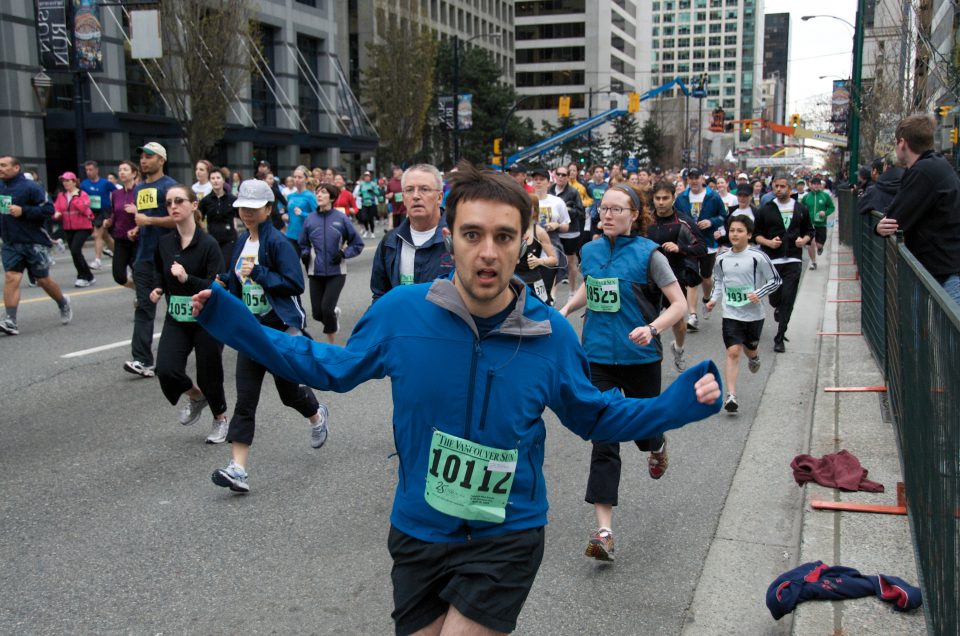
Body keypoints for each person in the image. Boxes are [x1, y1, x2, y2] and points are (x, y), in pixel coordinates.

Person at [190, 161, 722, 634]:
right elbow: (332, 367)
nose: (488, 252)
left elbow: (594, 415)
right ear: (450, 239)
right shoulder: (402, 312)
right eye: (472, 234)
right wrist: (236, 323)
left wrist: (671, 406)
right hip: (419, 530)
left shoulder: (550, 335)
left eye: (504, 237)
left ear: (523, 242)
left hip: (507, 532)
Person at [559, 182, 689, 563]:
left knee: (642, 430)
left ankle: (657, 444)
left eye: (617, 209)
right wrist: (567, 308)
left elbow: (679, 304)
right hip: (597, 358)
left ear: (635, 215)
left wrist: (653, 329)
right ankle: (604, 531)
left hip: (640, 360)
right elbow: (591, 286)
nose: (607, 215)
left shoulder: (650, 255)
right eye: (603, 209)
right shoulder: (590, 249)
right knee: (604, 438)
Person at [210, 179, 329, 492]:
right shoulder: (240, 242)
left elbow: (294, 284)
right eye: (243, 208)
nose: (247, 214)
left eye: (254, 208)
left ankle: (317, 415)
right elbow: (234, 278)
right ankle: (237, 468)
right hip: (251, 332)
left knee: (289, 395)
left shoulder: (277, 243)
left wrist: (260, 274)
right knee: (246, 400)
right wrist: (221, 285)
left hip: (277, 330)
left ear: (268, 208)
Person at [149, 185, 229, 443]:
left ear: (194, 205)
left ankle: (220, 418)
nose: (173, 206)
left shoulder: (208, 245)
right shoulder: (164, 243)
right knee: (166, 369)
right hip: (178, 317)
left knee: (209, 373)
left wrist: (188, 278)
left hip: (206, 317)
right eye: (169, 202)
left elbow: (216, 285)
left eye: (179, 201)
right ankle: (196, 396)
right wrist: (158, 286)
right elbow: (159, 270)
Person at [876, 114, 960, 304]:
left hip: (943, 274)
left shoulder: (923, 171)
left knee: (939, 332)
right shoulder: (935, 165)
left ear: (903, 143)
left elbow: (895, 219)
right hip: (943, 269)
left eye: (896, 143)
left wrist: (879, 227)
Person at [705, 215, 781, 413]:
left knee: (750, 347)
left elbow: (776, 281)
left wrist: (758, 293)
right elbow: (719, 281)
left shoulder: (758, 257)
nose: (735, 234)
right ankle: (731, 396)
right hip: (731, 312)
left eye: (739, 231)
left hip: (754, 314)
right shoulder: (721, 258)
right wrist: (713, 299)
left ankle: (754, 357)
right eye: (732, 230)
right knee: (733, 351)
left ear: (749, 234)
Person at [0, 155, 72, 335]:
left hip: (34, 242)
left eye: (4, 165)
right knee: (11, 277)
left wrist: (23, 211)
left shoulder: (32, 187)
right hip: (10, 242)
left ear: (16, 168)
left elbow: (48, 210)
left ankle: (63, 302)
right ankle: (11, 321)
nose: (0, 169)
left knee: (42, 280)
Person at [124, 142, 178, 378]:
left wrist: (150, 222)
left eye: (149, 156)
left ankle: (200, 344)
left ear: (161, 160)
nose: (144, 160)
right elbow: (143, 218)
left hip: (168, 256)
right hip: (144, 257)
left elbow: (177, 218)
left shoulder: (170, 187)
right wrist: (138, 229)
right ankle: (142, 360)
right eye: (142, 157)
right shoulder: (138, 189)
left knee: (179, 308)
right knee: (144, 308)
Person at [646, 180, 706, 371]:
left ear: (673, 198)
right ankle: (650, 359)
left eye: (665, 198)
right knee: (647, 320)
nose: (661, 202)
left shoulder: (683, 221)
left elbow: (702, 247)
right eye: (657, 198)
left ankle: (679, 349)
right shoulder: (645, 220)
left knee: (679, 323)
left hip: (674, 277)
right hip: (648, 278)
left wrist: (680, 248)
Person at [370, 164, 452, 301]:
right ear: (403, 197)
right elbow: (380, 296)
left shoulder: (456, 237)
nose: (415, 196)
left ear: (439, 197)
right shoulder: (390, 242)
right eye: (409, 190)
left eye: (424, 189)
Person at [753, 174, 814, 352]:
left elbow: (810, 230)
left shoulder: (801, 209)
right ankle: (778, 308)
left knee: (788, 298)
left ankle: (779, 337)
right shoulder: (765, 210)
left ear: (791, 188)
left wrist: (804, 240)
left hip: (794, 259)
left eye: (782, 186)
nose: (779, 189)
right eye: (776, 186)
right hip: (773, 260)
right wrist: (769, 243)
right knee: (775, 299)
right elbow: (756, 235)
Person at [299, 182, 364, 343]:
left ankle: (332, 345)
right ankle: (332, 316)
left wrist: (344, 253)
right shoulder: (310, 219)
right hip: (315, 271)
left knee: (326, 310)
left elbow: (357, 243)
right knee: (317, 314)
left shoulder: (341, 218)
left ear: (332, 197)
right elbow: (303, 243)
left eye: (323, 192)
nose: (319, 195)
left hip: (337, 272)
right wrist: (305, 253)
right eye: (317, 192)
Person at [674, 167, 727, 332]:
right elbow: (675, 217)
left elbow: (723, 216)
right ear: (687, 180)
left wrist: (711, 222)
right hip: (689, 243)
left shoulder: (713, 196)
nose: (694, 180)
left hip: (708, 242)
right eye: (691, 177)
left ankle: (706, 297)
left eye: (697, 177)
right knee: (691, 278)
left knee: (706, 277)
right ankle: (693, 316)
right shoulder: (681, 198)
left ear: (702, 178)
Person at [530, 166, 570, 302]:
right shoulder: (527, 199)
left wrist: (556, 225)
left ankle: (550, 295)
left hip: (551, 241)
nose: (538, 182)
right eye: (535, 179)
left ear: (548, 182)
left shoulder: (557, 202)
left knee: (551, 270)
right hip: (531, 241)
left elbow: (566, 226)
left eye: (541, 179)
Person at [53, 171, 97, 287]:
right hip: (68, 227)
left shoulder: (82, 194)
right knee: (75, 253)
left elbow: (83, 208)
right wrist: (56, 214)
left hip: (83, 227)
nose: (65, 183)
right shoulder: (61, 195)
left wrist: (75, 196)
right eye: (63, 181)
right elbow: (57, 208)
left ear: (74, 181)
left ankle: (82, 276)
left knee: (75, 250)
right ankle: (89, 276)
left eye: (67, 181)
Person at [515, 191, 558, 304]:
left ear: (535, 211)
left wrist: (539, 261)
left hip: (534, 281)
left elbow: (554, 259)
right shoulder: (512, 230)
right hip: (514, 280)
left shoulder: (539, 232)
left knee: (540, 313)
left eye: (529, 206)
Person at [548, 164, 585, 292]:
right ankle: (551, 295)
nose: (560, 177)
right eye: (558, 174)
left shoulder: (573, 192)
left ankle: (572, 291)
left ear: (568, 177)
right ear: (554, 175)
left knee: (570, 263)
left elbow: (581, 212)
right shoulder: (550, 190)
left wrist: (568, 210)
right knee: (554, 262)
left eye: (564, 175)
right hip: (553, 232)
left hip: (570, 232)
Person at [108, 160, 140, 288]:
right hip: (120, 238)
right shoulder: (116, 194)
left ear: (134, 174)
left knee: (138, 272)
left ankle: (142, 295)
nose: (122, 172)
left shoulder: (140, 191)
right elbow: (114, 212)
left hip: (137, 238)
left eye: (125, 170)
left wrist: (136, 210)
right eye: (120, 170)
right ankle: (138, 289)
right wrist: (109, 221)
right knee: (119, 276)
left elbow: (149, 213)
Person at [198, 166, 237, 268]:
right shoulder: (206, 201)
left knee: (226, 265)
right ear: (210, 181)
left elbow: (242, 216)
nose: (216, 181)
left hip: (229, 238)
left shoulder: (232, 199)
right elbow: (198, 218)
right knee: (214, 266)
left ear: (223, 180)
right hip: (212, 238)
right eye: (213, 178)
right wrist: (203, 229)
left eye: (218, 178)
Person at [80, 160, 116, 271]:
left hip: (104, 211)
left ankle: (97, 260)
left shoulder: (105, 183)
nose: (88, 172)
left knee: (97, 235)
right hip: (92, 212)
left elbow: (116, 193)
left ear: (97, 170)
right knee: (106, 236)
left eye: (91, 169)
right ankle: (119, 254)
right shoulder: (84, 184)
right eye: (87, 170)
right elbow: (81, 197)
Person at [800, 177, 835, 270]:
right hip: (809, 224)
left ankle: (820, 248)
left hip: (821, 224)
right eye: (814, 184)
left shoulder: (825, 196)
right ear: (810, 185)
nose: (816, 186)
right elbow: (800, 209)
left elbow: (832, 207)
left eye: (817, 184)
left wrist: (825, 213)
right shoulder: (806, 197)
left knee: (819, 244)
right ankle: (813, 262)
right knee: (810, 243)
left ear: (820, 185)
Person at [283, 166, 317, 257]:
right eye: (295, 177)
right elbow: (291, 214)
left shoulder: (310, 196)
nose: (296, 179)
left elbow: (318, 216)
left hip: (305, 236)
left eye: (300, 177)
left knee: (308, 266)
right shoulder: (290, 196)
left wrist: (303, 214)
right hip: (290, 234)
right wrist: (286, 216)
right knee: (291, 265)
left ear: (306, 180)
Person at [356, 170, 380, 238]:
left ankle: (372, 232)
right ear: (364, 177)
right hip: (364, 203)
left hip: (371, 203)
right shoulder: (362, 184)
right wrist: (360, 194)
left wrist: (372, 191)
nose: (367, 178)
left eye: (368, 176)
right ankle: (366, 230)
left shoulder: (373, 184)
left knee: (371, 218)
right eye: (365, 176)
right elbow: (359, 193)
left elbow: (378, 193)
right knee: (364, 218)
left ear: (370, 177)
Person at [385, 166, 406, 231]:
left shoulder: (406, 181)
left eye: (396, 172)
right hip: (395, 209)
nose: (394, 173)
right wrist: (389, 195)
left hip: (405, 208)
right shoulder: (390, 183)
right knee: (396, 228)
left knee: (403, 227)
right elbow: (386, 195)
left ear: (400, 172)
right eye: (393, 172)